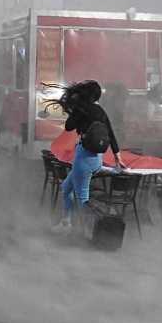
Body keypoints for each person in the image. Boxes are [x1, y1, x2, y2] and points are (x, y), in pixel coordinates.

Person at [45, 80, 125, 234]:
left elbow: (69, 126)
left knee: (82, 198)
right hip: (96, 159)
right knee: (66, 188)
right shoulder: (100, 111)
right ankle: (67, 222)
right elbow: (111, 133)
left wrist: (73, 110)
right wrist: (117, 156)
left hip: (84, 159)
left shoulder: (81, 109)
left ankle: (88, 232)